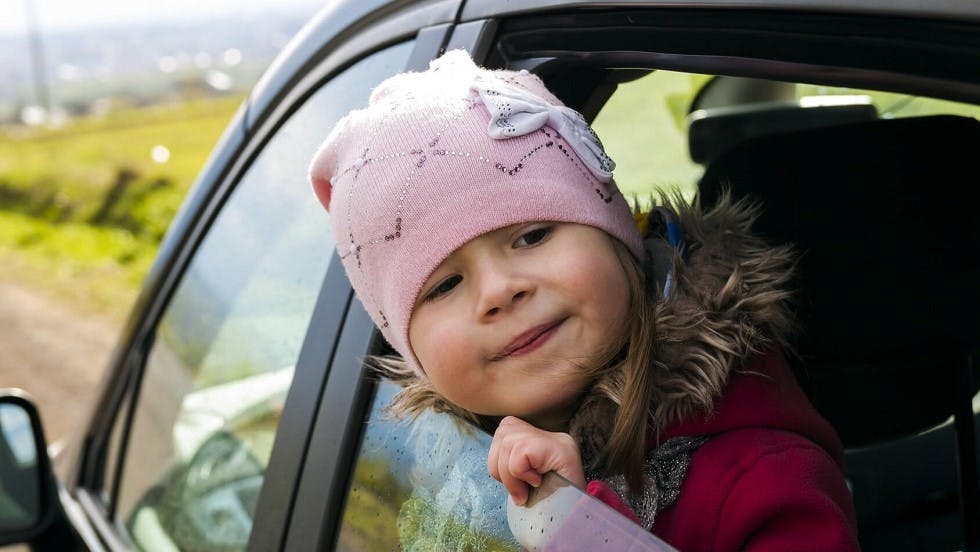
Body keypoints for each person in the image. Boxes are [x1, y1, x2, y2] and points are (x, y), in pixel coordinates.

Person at [308, 50, 859, 551]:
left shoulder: (765, 479)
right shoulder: (442, 478)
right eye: (444, 285)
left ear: (619, 237)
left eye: (532, 236)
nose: (500, 290)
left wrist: (580, 531)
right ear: (411, 352)